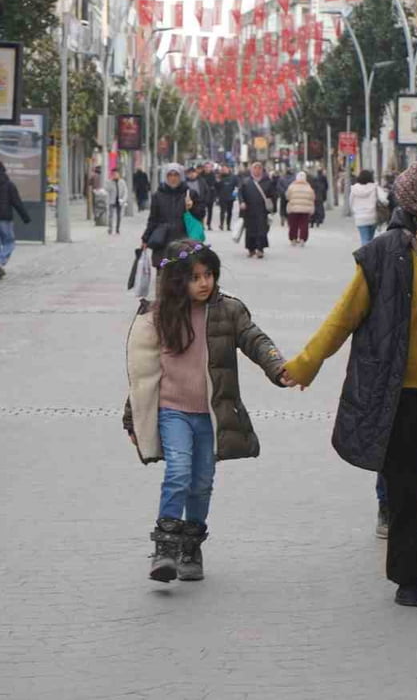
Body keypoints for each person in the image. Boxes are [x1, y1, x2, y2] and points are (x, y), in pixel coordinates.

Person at [282, 158, 417, 615]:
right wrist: (306, 364)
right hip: (397, 391)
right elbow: (345, 316)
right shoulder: (385, 252)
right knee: (403, 484)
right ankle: (409, 575)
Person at [122, 240, 288, 583]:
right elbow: (143, 374)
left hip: (210, 414)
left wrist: (279, 366)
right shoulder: (159, 315)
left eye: (208, 274)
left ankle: (190, 548)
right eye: (194, 277)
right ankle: (165, 548)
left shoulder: (229, 311)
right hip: (172, 411)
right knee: (179, 472)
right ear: (176, 280)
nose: (204, 283)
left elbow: (256, 340)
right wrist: (132, 418)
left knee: (201, 483)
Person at [142, 163, 204, 264]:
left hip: (184, 241)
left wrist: (192, 207)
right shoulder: (158, 196)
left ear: (181, 176)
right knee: (163, 274)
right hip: (163, 242)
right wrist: (145, 239)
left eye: (176, 175)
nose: (173, 178)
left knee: (183, 273)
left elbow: (201, 214)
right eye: (170, 175)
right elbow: (153, 219)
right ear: (165, 177)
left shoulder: (190, 194)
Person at [238, 161, 274, 258]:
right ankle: (251, 249)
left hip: (262, 211)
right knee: (250, 230)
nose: (257, 170)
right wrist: (242, 202)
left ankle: (260, 249)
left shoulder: (267, 181)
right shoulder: (246, 181)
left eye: (259, 168)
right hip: (249, 210)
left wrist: (271, 209)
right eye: (255, 168)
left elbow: (272, 195)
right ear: (251, 170)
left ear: (262, 170)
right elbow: (240, 193)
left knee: (262, 230)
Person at [349, 169, 385, 246]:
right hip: (373, 216)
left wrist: (355, 212)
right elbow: (384, 199)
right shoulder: (375, 187)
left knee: (364, 238)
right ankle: (370, 255)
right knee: (370, 238)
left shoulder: (354, 188)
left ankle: (366, 256)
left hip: (360, 217)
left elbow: (350, 202)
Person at [285, 170, 316, 245]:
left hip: (293, 208)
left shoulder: (292, 186)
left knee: (293, 224)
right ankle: (302, 239)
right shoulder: (309, 187)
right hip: (305, 209)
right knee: (304, 224)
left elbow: (287, 196)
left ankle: (293, 239)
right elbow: (313, 197)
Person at [107, 168, 129, 235]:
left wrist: (123, 200)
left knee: (119, 216)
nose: (115, 175)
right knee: (110, 216)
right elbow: (107, 190)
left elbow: (125, 191)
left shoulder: (122, 182)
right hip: (112, 201)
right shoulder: (109, 182)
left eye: (116, 174)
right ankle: (110, 229)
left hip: (119, 201)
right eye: (114, 174)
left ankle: (117, 229)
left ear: (119, 174)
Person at [215, 165, 237, 232]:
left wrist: (235, 194)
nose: (224, 170)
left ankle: (228, 225)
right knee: (222, 211)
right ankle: (221, 225)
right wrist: (217, 181)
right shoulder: (219, 177)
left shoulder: (233, 177)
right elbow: (217, 187)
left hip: (230, 197)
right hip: (222, 197)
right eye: (222, 169)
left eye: (225, 169)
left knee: (229, 212)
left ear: (228, 169)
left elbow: (237, 186)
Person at [201, 165, 219, 229]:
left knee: (210, 211)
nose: (207, 169)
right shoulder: (201, 175)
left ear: (211, 168)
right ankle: (202, 224)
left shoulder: (213, 175)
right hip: (203, 195)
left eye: (208, 167)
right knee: (202, 210)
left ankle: (209, 224)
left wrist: (216, 196)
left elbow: (215, 185)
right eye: (206, 167)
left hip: (211, 195)